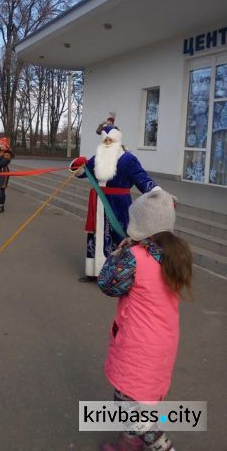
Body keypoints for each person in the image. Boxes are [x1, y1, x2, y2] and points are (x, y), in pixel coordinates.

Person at [98, 188, 192, 451]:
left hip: (138, 345)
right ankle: (128, 443)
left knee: (135, 408)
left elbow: (107, 284)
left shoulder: (135, 257)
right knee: (130, 398)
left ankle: (160, 446)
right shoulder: (176, 255)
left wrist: (119, 252)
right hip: (162, 341)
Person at [70, 121, 158, 282]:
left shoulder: (128, 159)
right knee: (96, 236)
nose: (107, 143)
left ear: (118, 140)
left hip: (119, 203)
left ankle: (119, 274)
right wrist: (78, 164)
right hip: (98, 203)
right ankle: (95, 272)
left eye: (110, 140)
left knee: (119, 236)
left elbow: (141, 178)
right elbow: (82, 172)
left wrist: (156, 192)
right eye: (105, 140)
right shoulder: (97, 157)